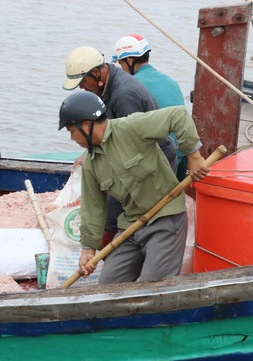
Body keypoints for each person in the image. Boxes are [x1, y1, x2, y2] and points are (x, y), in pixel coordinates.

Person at [58, 91, 209, 284]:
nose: (72, 137)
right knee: (107, 286)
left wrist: (194, 157)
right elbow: (92, 208)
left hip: (165, 218)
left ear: (87, 125)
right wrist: (88, 250)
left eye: (72, 131)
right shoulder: (90, 162)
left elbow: (177, 115)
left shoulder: (131, 127)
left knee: (151, 287)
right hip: (130, 226)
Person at [63, 45, 177, 246]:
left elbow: (129, 146)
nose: (81, 88)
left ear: (96, 72)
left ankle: (102, 256)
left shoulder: (125, 95)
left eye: (82, 82)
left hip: (153, 164)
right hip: (133, 157)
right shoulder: (104, 85)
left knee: (110, 215)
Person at [111, 34, 188, 182]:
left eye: (121, 64)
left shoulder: (130, 88)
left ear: (129, 60)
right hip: (182, 157)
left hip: (161, 160)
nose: (121, 70)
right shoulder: (171, 81)